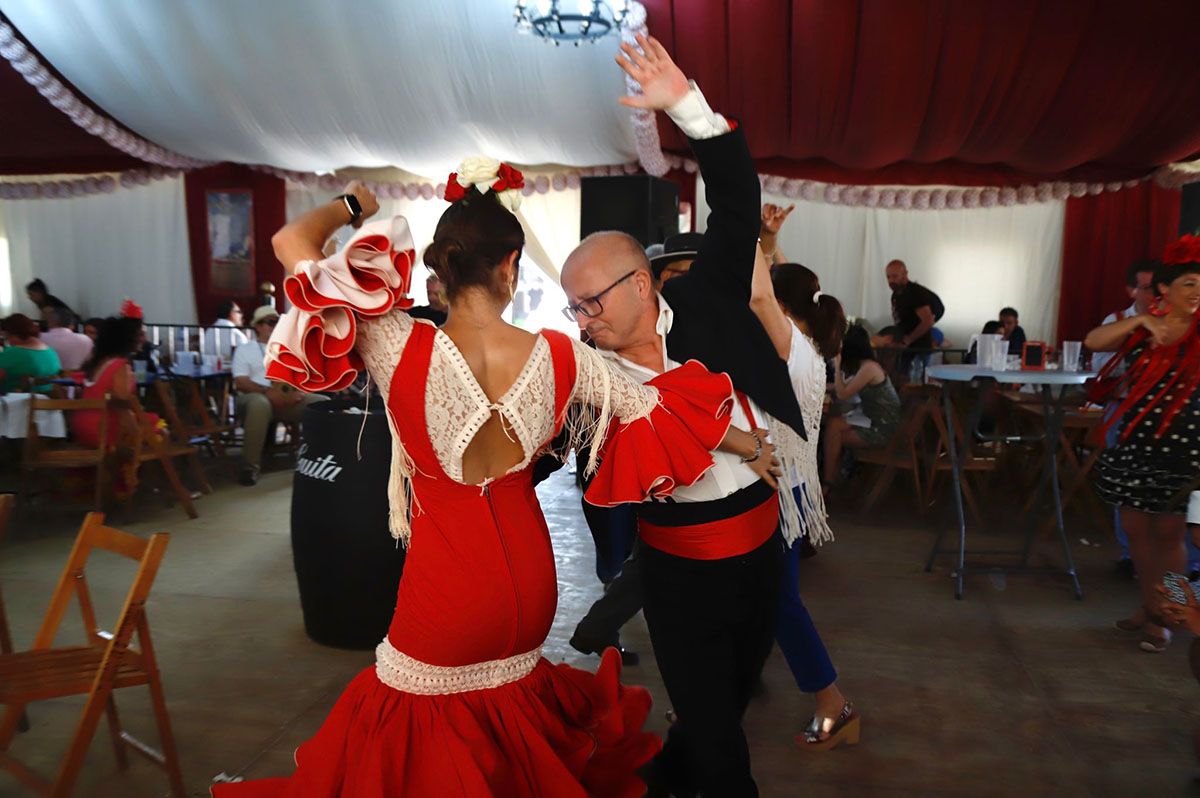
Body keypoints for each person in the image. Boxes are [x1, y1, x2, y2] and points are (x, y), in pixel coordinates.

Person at [213, 148, 764, 794]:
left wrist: (355, 204)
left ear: (441, 270)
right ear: (511, 265)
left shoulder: (395, 343)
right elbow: (665, 412)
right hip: (530, 590)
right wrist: (752, 449)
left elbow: (289, 242)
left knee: (412, 737)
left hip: (448, 593)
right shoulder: (561, 355)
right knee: (513, 735)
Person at [560, 38, 804, 797]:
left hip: (761, 545)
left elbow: (735, 200)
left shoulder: (709, 301)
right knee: (722, 741)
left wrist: (687, 109)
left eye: (592, 302)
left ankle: (668, 772)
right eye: (572, 307)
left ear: (641, 284)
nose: (582, 318)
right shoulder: (588, 377)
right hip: (673, 568)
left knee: (726, 702)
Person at [749, 243, 860, 751]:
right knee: (756, 598)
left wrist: (754, 238)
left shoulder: (793, 345)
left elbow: (757, 296)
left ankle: (832, 700)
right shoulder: (807, 345)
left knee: (778, 602)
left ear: (783, 306)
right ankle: (723, 693)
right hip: (783, 484)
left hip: (778, 490)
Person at [1087, 237, 1200, 654]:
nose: (1196, 293)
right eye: (1189, 284)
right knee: (1136, 529)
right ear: (1165, 291)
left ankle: (1166, 615)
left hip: (1186, 445)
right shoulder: (1143, 328)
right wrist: (1139, 322)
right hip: (1137, 438)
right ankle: (1148, 604)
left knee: (1170, 534)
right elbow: (1094, 342)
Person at [232, 306, 327, 486]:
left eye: (277, 322)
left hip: (286, 398)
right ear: (257, 326)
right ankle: (250, 466)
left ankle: (320, 459)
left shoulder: (288, 348)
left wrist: (298, 393)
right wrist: (268, 393)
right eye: (270, 322)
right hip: (254, 397)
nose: (274, 326)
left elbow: (302, 376)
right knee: (260, 404)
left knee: (321, 403)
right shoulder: (245, 349)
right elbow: (241, 382)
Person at [71, 316, 163, 499]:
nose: (143, 339)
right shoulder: (120, 366)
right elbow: (122, 406)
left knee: (148, 423)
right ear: (126, 338)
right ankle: (137, 485)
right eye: (140, 335)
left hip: (83, 427)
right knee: (160, 431)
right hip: (103, 428)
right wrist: (139, 433)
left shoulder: (96, 363)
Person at [824, 324, 901, 490]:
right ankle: (834, 480)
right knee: (833, 425)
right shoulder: (867, 365)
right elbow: (843, 387)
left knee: (832, 434)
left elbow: (843, 393)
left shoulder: (869, 368)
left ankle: (829, 483)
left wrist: (837, 367)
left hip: (882, 428)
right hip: (873, 419)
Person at [885, 259, 943, 351]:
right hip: (908, 343)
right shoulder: (896, 295)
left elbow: (928, 320)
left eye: (895, 276)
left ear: (905, 274)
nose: (891, 280)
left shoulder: (914, 294)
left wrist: (907, 340)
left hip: (918, 346)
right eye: (888, 277)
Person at [0, 313, 61, 393]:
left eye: (7, 337)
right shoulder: (50, 351)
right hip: (47, 400)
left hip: (18, 401)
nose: (9, 342)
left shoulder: (14, 352)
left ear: (14, 334)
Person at [40, 305, 93, 371]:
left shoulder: (40, 338)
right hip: (77, 378)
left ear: (50, 322)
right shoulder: (86, 339)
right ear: (71, 324)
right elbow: (89, 360)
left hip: (47, 378)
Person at [203, 299, 248, 364]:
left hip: (210, 371)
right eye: (239, 312)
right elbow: (245, 359)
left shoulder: (208, 331)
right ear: (232, 314)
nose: (241, 315)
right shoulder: (237, 334)